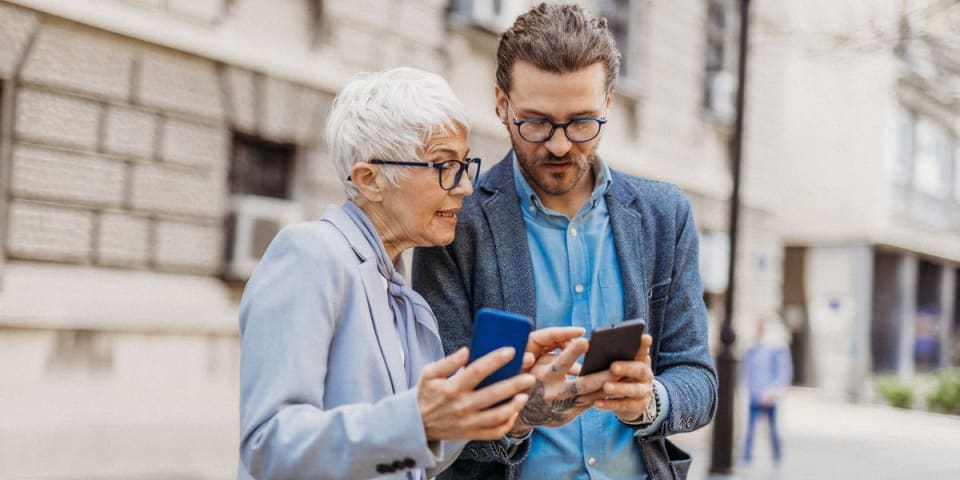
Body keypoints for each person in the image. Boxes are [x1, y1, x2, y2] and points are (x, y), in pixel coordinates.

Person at [412, 4, 718, 479]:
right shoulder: (456, 221)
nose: (558, 145)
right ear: (501, 103)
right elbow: (440, 400)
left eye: (581, 123)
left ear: (609, 104)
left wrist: (650, 401)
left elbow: (697, 378)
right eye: (535, 122)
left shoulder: (664, 215)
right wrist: (519, 416)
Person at [237, 67, 584, 480]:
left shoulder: (405, 298)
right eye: (443, 166)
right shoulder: (312, 254)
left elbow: (413, 458)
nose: (464, 188)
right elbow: (269, 446)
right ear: (370, 180)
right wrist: (417, 420)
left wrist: (508, 403)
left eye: (464, 165)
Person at [741, 317, 793, 467]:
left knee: (773, 431)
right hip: (754, 396)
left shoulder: (776, 349)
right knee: (749, 431)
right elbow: (746, 372)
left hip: (770, 397)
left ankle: (777, 458)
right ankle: (746, 459)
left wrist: (773, 392)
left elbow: (783, 373)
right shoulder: (752, 349)